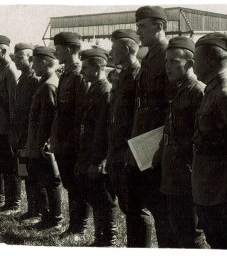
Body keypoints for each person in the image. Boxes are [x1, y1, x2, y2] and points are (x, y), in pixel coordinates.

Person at [191, 32, 227, 249]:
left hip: (223, 195)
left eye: (195, 59)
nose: (193, 64)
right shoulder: (213, 91)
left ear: (207, 61)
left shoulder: (226, 95)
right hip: (209, 189)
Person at [123, 6, 173, 247]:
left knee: (159, 207)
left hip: (155, 141)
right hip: (141, 138)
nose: (138, 30)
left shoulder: (168, 55)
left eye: (143, 26)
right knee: (135, 201)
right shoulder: (151, 55)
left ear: (160, 26)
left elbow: (170, 105)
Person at [154, 37, 209, 248]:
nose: (168, 66)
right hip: (173, 171)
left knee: (191, 233)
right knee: (177, 227)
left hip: (186, 173)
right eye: (166, 61)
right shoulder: (179, 88)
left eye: (174, 61)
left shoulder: (197, 91)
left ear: (190, 63)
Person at [74, 48, 116, 246]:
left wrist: (98, 161)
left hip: (97, 153)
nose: (82, 72)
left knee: (103, 198)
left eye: (85, 68)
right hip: (88, 149)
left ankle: (108, 238)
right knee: (93, 194)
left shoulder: (105, 92)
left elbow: (102, 131)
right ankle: (100, 236)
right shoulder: (93, 88)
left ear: (98, 69)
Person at [50, 31, 88, 236]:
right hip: (63, 139)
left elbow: (80, 114)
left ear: (69, 49)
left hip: (72, 141)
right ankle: (74, 225)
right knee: (69, 183)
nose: (56, 52)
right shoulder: (65, 74)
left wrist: (73, 143)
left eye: (58, 48)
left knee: (76, 185)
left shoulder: (79, 75)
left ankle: (79, 227)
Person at [106, 29, 140, 241]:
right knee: (127, 205)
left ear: (126, 50)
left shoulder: (137, 75)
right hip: (117, 146)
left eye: (114, 48)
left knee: (135, 207)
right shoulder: (124, 74)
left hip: (128, 149)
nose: (110, 52)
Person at [25, 46, 61, 231]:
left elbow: (48, 118)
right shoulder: (45, 82)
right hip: (39, 141)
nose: (33, 66)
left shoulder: (48, 85)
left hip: (43, 144)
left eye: (35, 62)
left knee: (49, 180)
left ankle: (54, 219)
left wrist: (42, 143)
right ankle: (47, 216)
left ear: (45, 62)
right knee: (42, 179)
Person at [0, 35, 21, 212]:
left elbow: (13, 102)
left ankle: (14, 204)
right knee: (0, 163)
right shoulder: (0, 69)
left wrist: (12, 128)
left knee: (10, 165)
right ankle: (4, 200)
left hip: (5, 125)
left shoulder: (10, 70)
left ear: (3, 50)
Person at [11, 43, 40, 219]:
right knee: (24, 172)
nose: (17, 61)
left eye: (20, 57)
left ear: (30, 58)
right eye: (15, 58)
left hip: (29, 134)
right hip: (21, 133)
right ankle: (32, 209)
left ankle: (38, 211)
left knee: (33, 173)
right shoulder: (23, 78)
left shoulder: (34, 79)